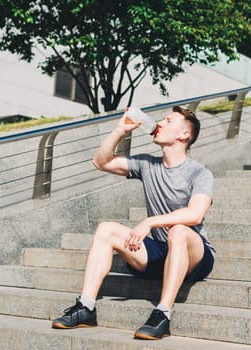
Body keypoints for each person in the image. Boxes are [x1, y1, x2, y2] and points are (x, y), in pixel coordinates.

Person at [51, 106, 215, 340]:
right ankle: (86, 307)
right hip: (160, 254)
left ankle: (163, 315)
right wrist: (120, 130)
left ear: (184, 135)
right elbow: (101, 162)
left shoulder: (199, 173)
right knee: (106, 229)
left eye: (168, 121)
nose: (161, 122)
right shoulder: (147, 164)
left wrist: (150, 222)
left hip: (195, 255)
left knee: (178, 230)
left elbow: (195, 214)